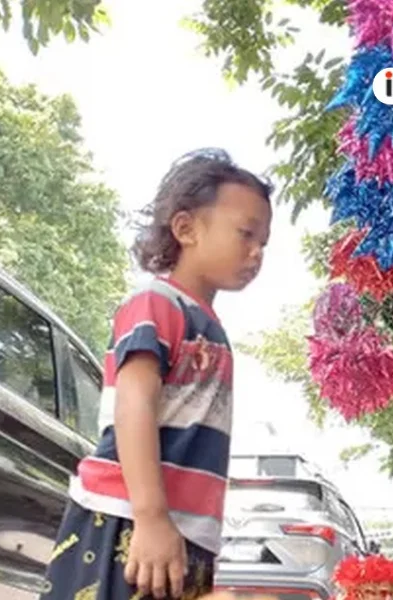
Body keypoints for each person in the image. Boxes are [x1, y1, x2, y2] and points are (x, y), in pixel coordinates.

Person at [41, 149, 272, 600]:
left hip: (184, 529)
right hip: (129, 516)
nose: (256, 252)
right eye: (246, 233)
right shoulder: (156, 302)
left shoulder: (209, 325)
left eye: (264, 242)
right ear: (185, 228)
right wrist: (150, 517)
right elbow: (134, 404)